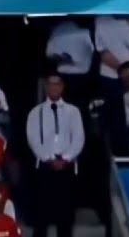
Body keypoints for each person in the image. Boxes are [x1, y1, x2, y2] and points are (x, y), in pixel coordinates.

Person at [25, 73, 84, 237]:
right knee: (41, 213)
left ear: (62, 87)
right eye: (50, 84)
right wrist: (48, 158)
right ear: (46, 87)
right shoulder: (36, 112)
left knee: (65, 214)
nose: (54, 87)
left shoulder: (73, 111)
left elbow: (78, 137)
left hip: (66, 166)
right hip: (45, 166)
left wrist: (66, 158)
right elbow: (33, 138)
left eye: (57, 84)